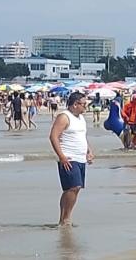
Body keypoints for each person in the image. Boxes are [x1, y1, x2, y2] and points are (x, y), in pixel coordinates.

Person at [49, 92, 94, 227]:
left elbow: (82, 136)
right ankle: (65, 219)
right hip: (68, 157)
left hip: (80, 158)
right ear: (75, 104)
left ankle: (64, 218)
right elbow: (53, 136)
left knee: (74, 189)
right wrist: (61, 156)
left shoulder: (80, 118)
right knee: (74, 187)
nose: (85, 107)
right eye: (84, 104)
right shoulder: (64, 117)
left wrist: (89, 150)